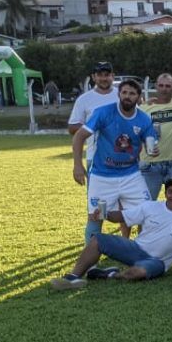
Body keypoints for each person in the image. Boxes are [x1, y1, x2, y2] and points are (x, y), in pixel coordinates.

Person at [50, 178, 172, 289]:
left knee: (137, 273)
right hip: (135, 249)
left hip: (157, 262)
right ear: (165, 193)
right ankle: (73, 277)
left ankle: (109, 274)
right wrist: (105, 214)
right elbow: (122, 216)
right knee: (97, 239)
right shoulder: (151, 207)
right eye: (171, 192)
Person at [72, 78, 158, 243]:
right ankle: (91, 263)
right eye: (124, 92)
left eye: (132, 93)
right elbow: (79, 136)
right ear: (119, 94)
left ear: (139, 97)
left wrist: (153, 150)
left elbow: (150, 145)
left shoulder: (144, 119)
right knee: (96, 217)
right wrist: (77, 165)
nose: (127, 96)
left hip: (131, 175)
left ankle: (144, 252)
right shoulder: (103, 112)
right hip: (102, 175)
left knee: (147, 213)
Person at [68, 62, 119, 239]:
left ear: (113, 76)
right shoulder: (85, 99)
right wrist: (93, 126)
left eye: (107, 74)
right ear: (94, 77)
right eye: (100, 75)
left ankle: (129, 246)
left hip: (124, 160)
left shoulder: (123, 94)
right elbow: (72, 127)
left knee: (128, 208)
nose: (104, 78)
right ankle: (90, 254)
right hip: (96, 160)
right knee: (97, 210)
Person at [139, 73, 172, 200]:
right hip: (149, 163)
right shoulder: (144, 108)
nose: (164, 89)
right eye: (161, 85)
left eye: (168, 86)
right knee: (147, 204)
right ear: (156, 86)